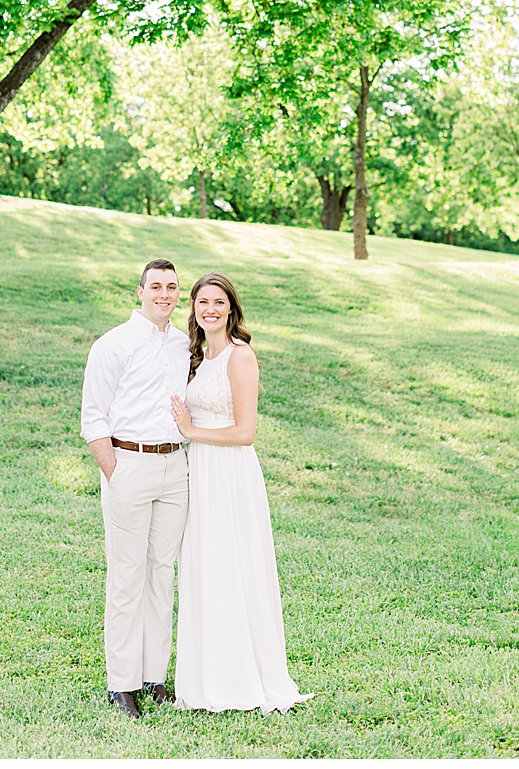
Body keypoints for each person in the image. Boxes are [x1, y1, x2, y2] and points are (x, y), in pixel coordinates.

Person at [168, 271, 310, 713]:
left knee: (233, 565)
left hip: (229, 473)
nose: (209, 309)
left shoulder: (239, 356)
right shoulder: (198, 357)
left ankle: (241, 677)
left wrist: (192, 431)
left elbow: (246, 432)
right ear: (192, 308)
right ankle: (207, 675)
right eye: (201, 302)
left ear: (231, 309)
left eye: (218, 302)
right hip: (199, 472)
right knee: (205, 567)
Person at [81, 259, 192, 720]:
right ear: (140, 291)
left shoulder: (184, 345)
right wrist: (114, 470)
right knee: (127, 575)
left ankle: (154, 677)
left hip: (176, 469)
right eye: (157, 287)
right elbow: (93, 417)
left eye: (172, 287)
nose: (164, 294)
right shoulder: (113, 344)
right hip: (129, 464)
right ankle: (121, 684)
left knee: (161, 573)